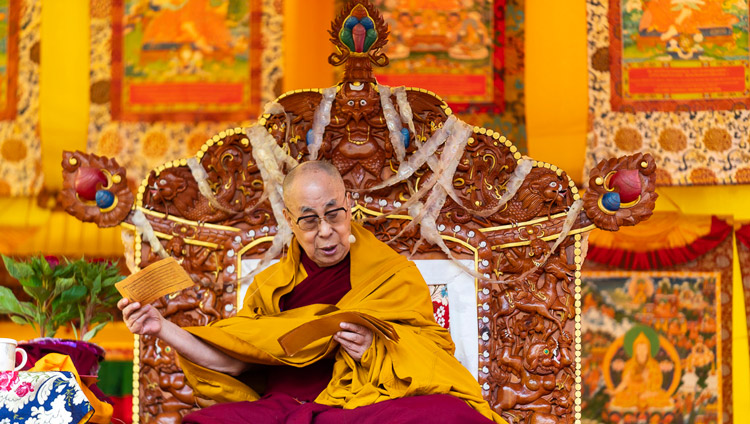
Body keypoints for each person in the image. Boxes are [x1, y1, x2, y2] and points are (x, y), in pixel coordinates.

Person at [119, 160, 506, 424]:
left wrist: (377, 348)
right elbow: (235, 362)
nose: (325, 231)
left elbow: (431, 354)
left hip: (359, 408)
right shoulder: (270, 287)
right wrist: (160, 327)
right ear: (288, 220)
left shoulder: (393, 275)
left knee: (449, 415)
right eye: (308, 220)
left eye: (334, 214)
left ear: (349, 206)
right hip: (285, 411)